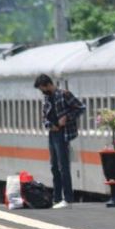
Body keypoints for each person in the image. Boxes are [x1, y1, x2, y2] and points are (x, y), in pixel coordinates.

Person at [34, 74, 85, 209]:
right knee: (54, 166)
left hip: (63, 133)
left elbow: (80, 108)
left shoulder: (64, 94)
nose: (42, 91)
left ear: (48, 85)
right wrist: (50, 125)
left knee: (64, 166)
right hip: (53, 133)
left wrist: (67, 118)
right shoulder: (46, 98)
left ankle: (67, 198)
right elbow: (44, 117)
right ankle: (57, 198)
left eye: (42, 88)